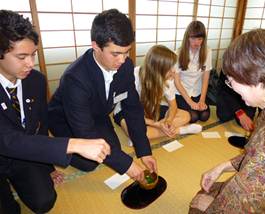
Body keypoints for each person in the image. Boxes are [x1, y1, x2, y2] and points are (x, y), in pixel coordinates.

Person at [0, 10, 110, 214]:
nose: (31, 64)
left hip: (26, 153)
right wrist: (74, 144)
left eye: (33, 54)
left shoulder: (36, 80)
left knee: (44, 202)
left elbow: (40, 125)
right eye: (21, 57)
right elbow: (8, 140)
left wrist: (47, 166)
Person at [48, 9, 157, 182]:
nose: (122, 60)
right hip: (67, 119)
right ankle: (56, 145)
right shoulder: (75, 78)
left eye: (126, 52)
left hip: (97, 113)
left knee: (113, 148)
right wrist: (130, 167)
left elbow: (133, 108)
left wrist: (144, 151)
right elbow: (84, 131)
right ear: (96, 47)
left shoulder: (126, 67)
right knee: (90, 163)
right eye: (115, 53)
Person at [189, 29, 265, 213]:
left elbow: (247, 204)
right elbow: (261, 157)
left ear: (256, 77)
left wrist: (211, 207)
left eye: (231, 80)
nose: (231, 86)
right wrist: (223, 166)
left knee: (198, 203)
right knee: (210, 190)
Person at [114, 45, 202, 141]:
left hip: (151, 109)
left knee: (186, 115)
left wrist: (168, 121)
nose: (173, 71)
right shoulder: (133, 76)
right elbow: (131, 112)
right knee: (134, 132)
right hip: (126, 111)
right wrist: (157, 124)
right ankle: (179, 130)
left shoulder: (168, 80)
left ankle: (148, 134)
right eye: (170, 68)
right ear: (158, 69)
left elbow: (173, 106)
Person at [174, 20, 212, 123]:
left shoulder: (207, 52)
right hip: (182, 92)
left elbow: (205, 79)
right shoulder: (178, 53)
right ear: (187, 37)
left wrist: (202, 100)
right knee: (193, 117)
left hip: (198, 91)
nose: (196, 42)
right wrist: (190, 102)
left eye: (200, 39)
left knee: (204, 116)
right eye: (193, 38)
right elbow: (177, 82)